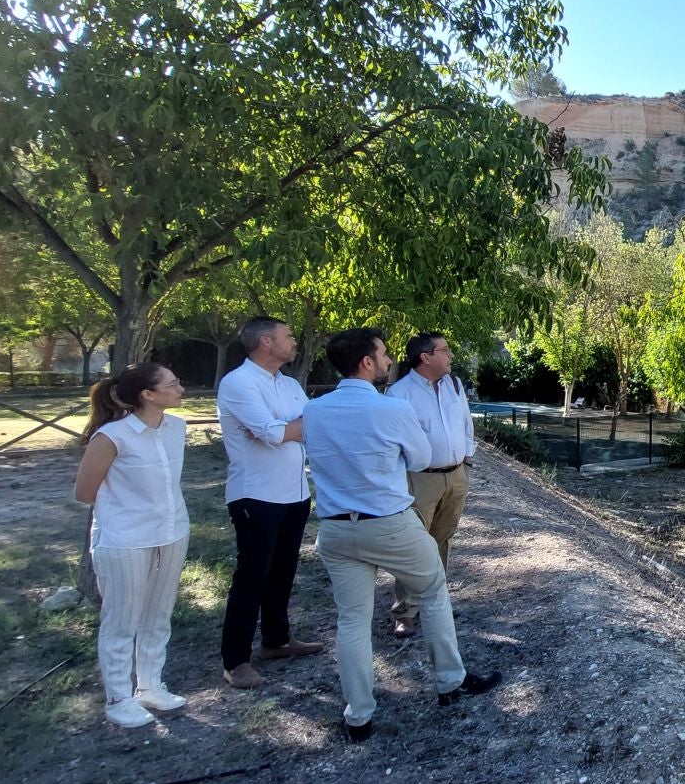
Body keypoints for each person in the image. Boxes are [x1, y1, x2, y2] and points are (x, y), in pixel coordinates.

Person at [303, 328, 500, 741]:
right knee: (434, 590)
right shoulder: (391, 408)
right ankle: (450, 681)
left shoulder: (314, 410)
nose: (390, 360)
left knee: (351, 620)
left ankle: (358, 715)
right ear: (367, 362)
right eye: (383, 354)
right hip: (387, 522)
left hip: (335, 529)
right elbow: (421, 456)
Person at [72, 364, 191, 728]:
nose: (181, 389)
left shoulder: (176, 428)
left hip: (172, 532)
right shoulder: (112, 436)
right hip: (125, 540)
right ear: (148, 395)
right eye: (173, 384)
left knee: (158, 614)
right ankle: (118, 698)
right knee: (122, 620)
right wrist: (129, 510)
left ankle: (150, 686)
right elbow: (85, 492)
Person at [216, 316, 323, 689]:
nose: (294, 341)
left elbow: (310, 425)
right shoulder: (238, 383)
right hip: (256, 495)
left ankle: (277, 640)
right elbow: (274, 434)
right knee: (252, 575)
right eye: (288, 336)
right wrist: (281, 429)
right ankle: (235, 661)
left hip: (295, 493)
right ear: (265, 341)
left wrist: (282, 429)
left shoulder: (289, 384)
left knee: (283, 570)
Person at [386, 332, 474, 639]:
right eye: (444, 350)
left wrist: (467, 456)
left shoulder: (455, 385)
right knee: (413, 544)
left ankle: (435, 603)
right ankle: (405, 612)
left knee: (441, 539)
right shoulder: (399, 394)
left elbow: (465, 423)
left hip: (456, 475)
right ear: (425, 357)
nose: (450, 356)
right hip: (419, 478)